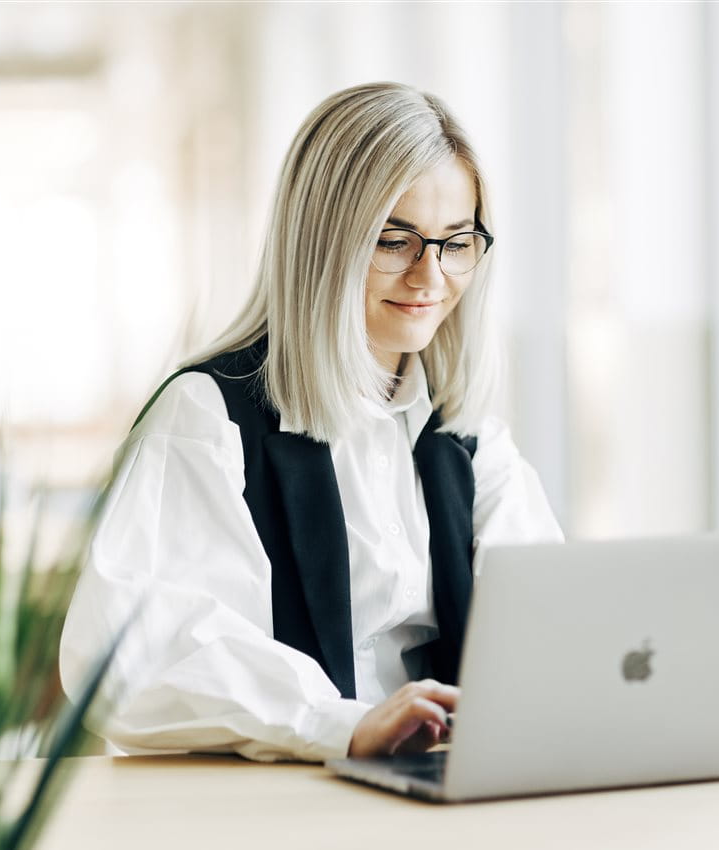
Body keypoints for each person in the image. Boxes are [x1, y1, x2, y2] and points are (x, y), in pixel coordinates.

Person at [59, 82, 562, 762]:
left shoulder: (467, 439)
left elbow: (552, 622)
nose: (430, 278)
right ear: (321, 241)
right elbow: (136, 650)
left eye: (456, 242)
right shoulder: (211, 418)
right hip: (282, 801)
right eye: (394, 240)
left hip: (436, 789)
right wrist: (339, 724)